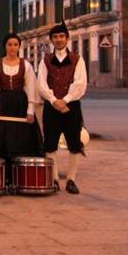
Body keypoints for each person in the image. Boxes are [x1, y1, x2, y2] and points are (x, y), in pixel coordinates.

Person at [37, 22, 88, 194]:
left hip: (71, 107)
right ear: (51, 40)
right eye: (55, 37)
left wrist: (65, 100)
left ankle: (72, 180)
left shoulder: (77, 59)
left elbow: (80, 84)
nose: (58, 40)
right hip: (52, 108)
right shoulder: (45, 61)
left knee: (74, 144)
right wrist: (53, 100)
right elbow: (41, 84)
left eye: (61, 36)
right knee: (50, 144)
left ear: (67, 38)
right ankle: (54, 179)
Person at [0, 33, 43, 175]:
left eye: (15, 45)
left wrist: (30, 110)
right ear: (5, 46)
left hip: (20, 105)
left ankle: (20, 174)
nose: (12, 48)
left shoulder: (26, 65)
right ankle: (3, 175)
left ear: (19, 47)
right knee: (3, 138)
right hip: (3, 103)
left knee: (20, 138)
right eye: (9, 44)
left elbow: (31, 88)